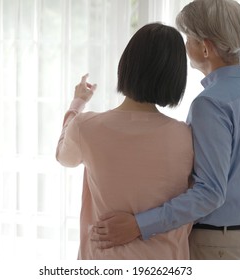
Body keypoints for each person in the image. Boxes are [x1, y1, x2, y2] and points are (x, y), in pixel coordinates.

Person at [92, 0, 240, 260]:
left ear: (205, 48)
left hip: (217, 247)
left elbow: (210, 193)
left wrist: (138, 225)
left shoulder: (210, 103)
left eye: (188, 38)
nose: (184, 45)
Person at [56, 23, 194, 259]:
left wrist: (77, 103)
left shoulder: (86, 127)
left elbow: (63, 156)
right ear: (176, 77)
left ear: (127, 65)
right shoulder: (185, 136)